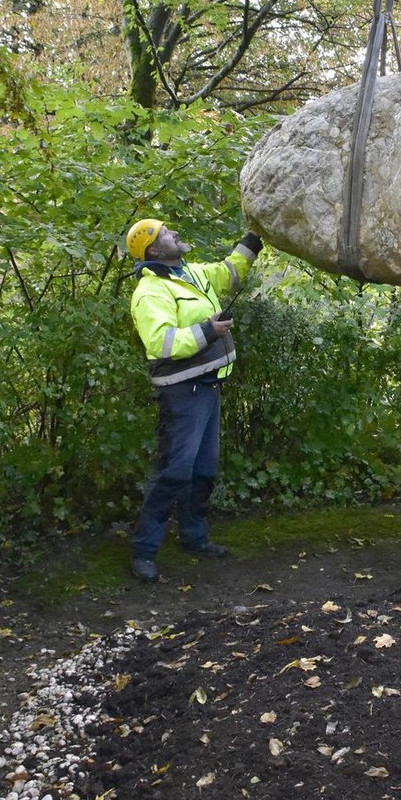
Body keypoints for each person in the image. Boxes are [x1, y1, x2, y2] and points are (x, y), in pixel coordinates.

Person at [124, 218, 264, 583]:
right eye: (166, 233)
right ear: (153, 250)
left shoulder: (193, 274)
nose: (175, 235)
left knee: (202, 472)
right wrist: (207, 330)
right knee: (173, 472)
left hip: (208, 389)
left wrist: (255, 237)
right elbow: (162, 342)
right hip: (182, 393)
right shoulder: (149, 292)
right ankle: (143, 552)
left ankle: (194, 539)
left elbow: (229, 272)